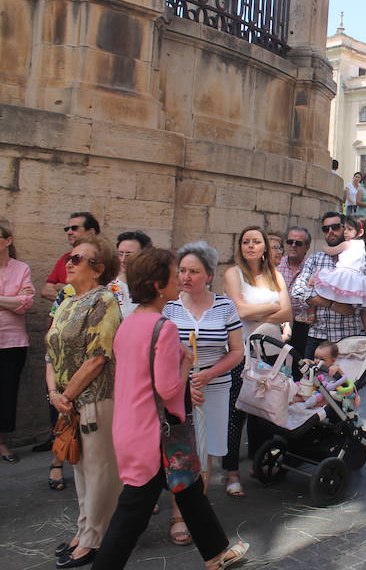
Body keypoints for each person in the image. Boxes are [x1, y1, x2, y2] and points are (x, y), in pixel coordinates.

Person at [93, 248, 248, 570]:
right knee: (132, 512)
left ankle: (216, 554)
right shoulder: (162, 327)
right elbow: (168, 390)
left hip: (134, 427)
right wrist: (186, 364)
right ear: (157, 285)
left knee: (189, 490)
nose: (180, 279)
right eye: (174, 274)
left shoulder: (131, 322)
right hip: (155, 434)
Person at [45, 235, 122, 568]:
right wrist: (54, 394)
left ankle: (94, 538)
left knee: (99, 469)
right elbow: (50, 352)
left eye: (78, 258)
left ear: (98, 268)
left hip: (94, 397)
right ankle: (84, 530)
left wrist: (66, 395)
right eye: (69, 258)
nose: (69, 262)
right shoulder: (67, 299)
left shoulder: (104, 299)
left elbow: (98, 358)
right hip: (68, 400)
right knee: (79, 467)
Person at [163, 241, 244, 529]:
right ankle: (177, 514)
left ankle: (196, 512)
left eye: (193, 271)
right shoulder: (170, 307)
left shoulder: (224, 306)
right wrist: (183, 381)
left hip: (216, 386)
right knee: (182, 452)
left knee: (205, 450)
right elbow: (161, 354)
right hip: (179, 390)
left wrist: (208, 375)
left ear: (208, 275)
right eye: (182, 270)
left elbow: (237, 351)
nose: (185, 277)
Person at [222, 227, 292, 497]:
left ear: (264, 246)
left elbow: (289, 312)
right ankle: (230, 472)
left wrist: (259, 313)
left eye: (256, 242)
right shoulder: (233, 274)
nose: (250, 246)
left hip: (270, 355)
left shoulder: (275, 275)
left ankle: (259, 462)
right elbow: (238, 310)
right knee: (235, 414)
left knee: (265, 411)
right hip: (241, 353)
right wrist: (273, 308)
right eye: (245, 242)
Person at [292, 212, 366, 358]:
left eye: (335, 227)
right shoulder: (315, 259)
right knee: (310, 380)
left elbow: (361, 307)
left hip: (347, 337)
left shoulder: (359, 264)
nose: (330, 232)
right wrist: (331, 304)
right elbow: (297, 290)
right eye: (325, 229)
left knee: (345, 381)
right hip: (317, 336)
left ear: (344, 228)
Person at [0, 221, 34, 463]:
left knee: (7, 394)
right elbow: (18, 301)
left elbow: (26, 304)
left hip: (12, 342)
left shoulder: (21, 268)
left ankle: (2, 443)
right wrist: (11, 300)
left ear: (8, 241)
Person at [312, 216, 366, 334]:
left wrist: (324, 247)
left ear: (360, 232)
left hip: (343, 273)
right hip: (356, 277)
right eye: (345, 228)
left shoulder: (348, 244)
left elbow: (332, 251)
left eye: (349, 229)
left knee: (320, 280)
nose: (346, 232)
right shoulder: (363, 246)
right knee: (348, 292)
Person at [41, 212, 101, 301]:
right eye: (67, 229)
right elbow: (46, 291)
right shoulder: (65, 257)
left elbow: (99, 294)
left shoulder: (102, 258)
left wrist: (62, 288)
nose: (69, 232)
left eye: (74, 228)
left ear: (91, 232)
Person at [278, 227, 312, 358]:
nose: (293, 246)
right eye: (289, 242)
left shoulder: (313, 267)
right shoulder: (276, 265)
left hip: (303, 327)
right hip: (279, 324)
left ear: (307, 247)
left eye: (298, 243)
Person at [108, 231, 152, 319]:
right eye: (120, 254)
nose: (123, 260)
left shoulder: (154, 288)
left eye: (129, 255)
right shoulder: (109, 288)